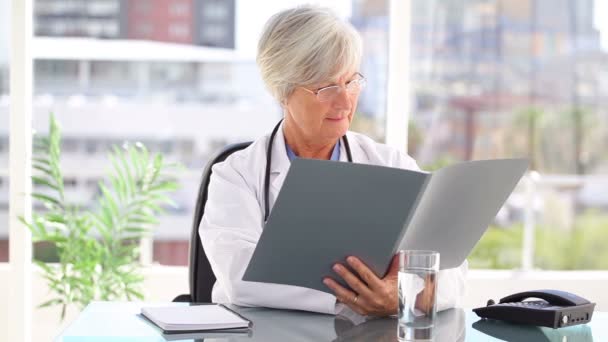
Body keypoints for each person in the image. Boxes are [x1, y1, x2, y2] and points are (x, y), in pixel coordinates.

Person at [199, 5, 467, 317]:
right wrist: (360, 295)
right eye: (327, 87)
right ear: (282, 91)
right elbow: (239, 279)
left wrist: (402, 294)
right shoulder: (237, 175)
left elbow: (453, 271)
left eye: (351, 82)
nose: (345, 101)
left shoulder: (392, 165)